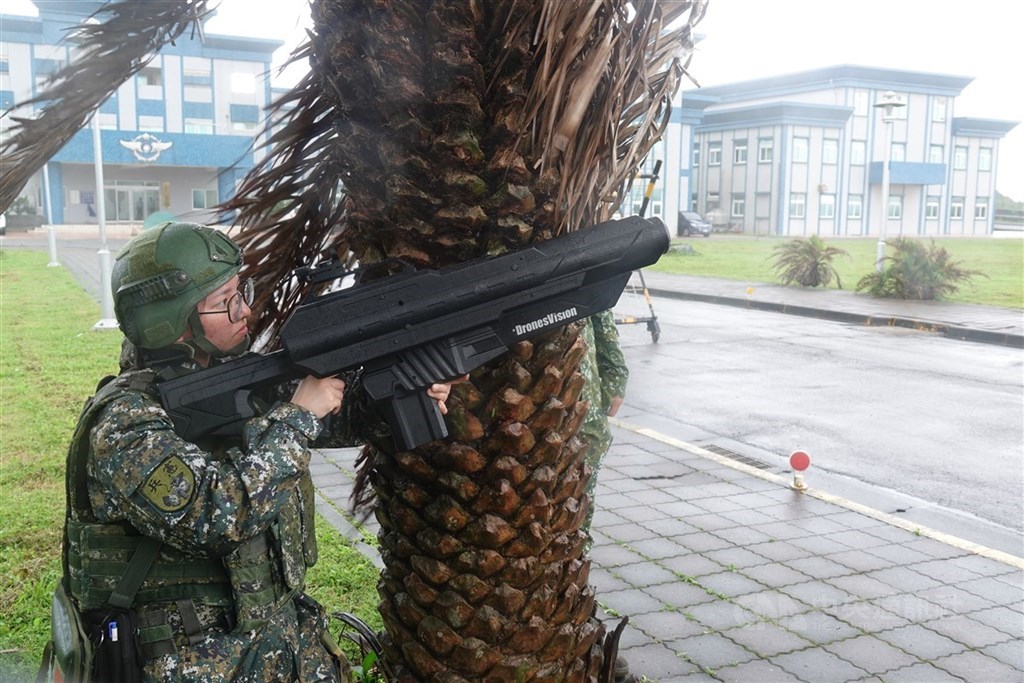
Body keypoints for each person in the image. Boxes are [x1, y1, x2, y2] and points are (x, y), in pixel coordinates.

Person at [57, 222, 454, 682]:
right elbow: (217, 514)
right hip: (191, 662)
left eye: (240, 292)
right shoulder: (125, 425)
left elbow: (340, 415)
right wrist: (298, 415)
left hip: (277, 641)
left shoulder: (229, 377)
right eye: (226, 301)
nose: (244, 309)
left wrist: (407, 384)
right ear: (173, 321)